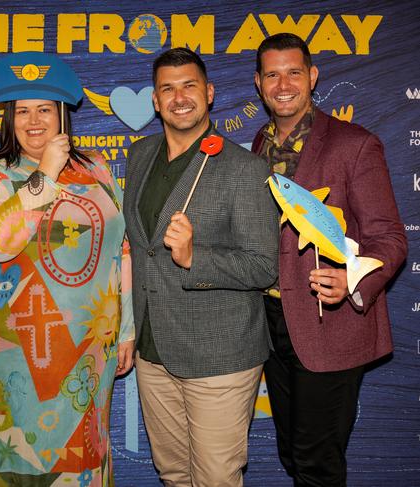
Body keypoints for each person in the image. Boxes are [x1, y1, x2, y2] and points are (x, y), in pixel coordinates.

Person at [0, 52, 134, 486]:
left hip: (89, 349)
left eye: (44, 109)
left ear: (62, 114)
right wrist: (45, 175)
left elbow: (121, 250)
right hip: (12, 352)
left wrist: (127, 329)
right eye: (21, 111)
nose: (33, 120)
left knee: (81, 459)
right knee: (15, 462)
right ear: (8, 117)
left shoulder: (95, 167)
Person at [252, 33, 408, 487]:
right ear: (259, 83)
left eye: (294, 73)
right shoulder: (258, 146)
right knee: (291, 453)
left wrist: (351, 279)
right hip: (271, 323)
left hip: (330, 323)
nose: (283, 84)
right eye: (272, 74)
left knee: (317, 463)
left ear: (313, 77)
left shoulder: (354, 144)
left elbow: (389, 237)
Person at [122, 47, 279, 486]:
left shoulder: (245, 169)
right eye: (167, 88)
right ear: (155, 100)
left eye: (189, 85)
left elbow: (265, 266)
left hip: (220, 356)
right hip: (153, 354)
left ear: (209, 93)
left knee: (215, 478)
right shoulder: (140, 156)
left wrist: (196, 258)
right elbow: (139, 250)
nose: (179, 97)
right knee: (173, 474)